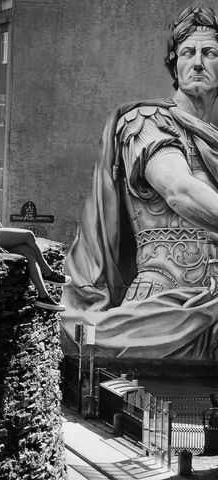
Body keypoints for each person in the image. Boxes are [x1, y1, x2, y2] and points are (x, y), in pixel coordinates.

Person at [62, 6, 218, 359]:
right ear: (174, 64)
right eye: (187, 53)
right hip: (159, 315)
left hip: (212, 309)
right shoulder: (146, 121)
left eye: (210, 53)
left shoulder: (213, 138)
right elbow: (179, 191)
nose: (197, 63)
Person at [0, 156, 71, 311]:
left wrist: (3, 231)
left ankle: (43, 296)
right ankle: (48, 272)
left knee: (28, 252)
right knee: (28, 235)